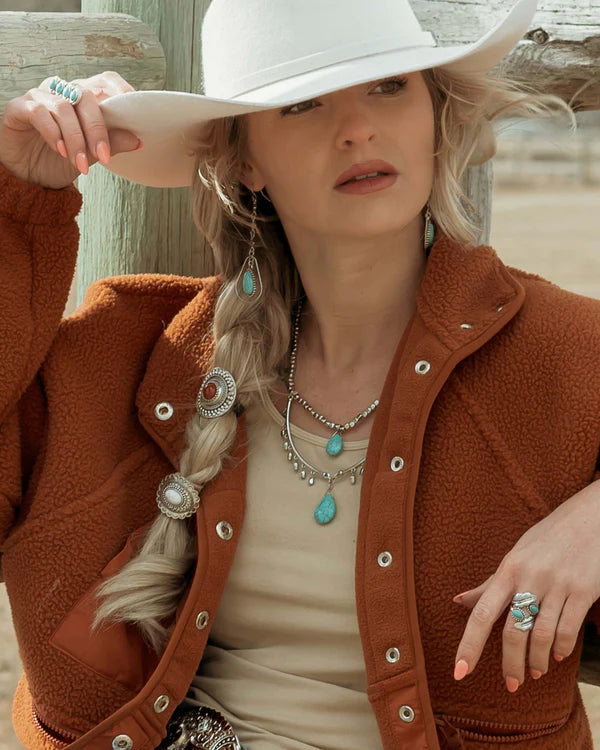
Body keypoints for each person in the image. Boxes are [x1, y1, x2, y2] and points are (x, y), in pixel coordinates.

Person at [0, 0, 599, 747]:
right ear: (245, 161)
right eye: (303, 105)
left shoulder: (564, 353)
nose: (357, 129)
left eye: (389, 87)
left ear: (435, 118)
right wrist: (19, 205)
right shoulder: (122, 359)